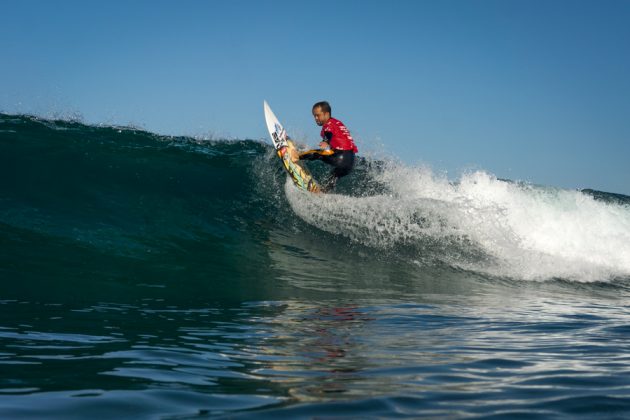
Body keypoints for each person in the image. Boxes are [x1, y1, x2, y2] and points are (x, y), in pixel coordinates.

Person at [299, 101, 358, 192]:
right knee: (334, 175)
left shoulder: (328, 124)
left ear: (326, 114)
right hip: (351, 162)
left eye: (318, 115)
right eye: (314, 116)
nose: (316, 118)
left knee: (317, 153)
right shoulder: (337, 123)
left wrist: (326, 141)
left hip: (341, 157)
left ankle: (296, 156)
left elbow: (328, 134)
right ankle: (323, 192)